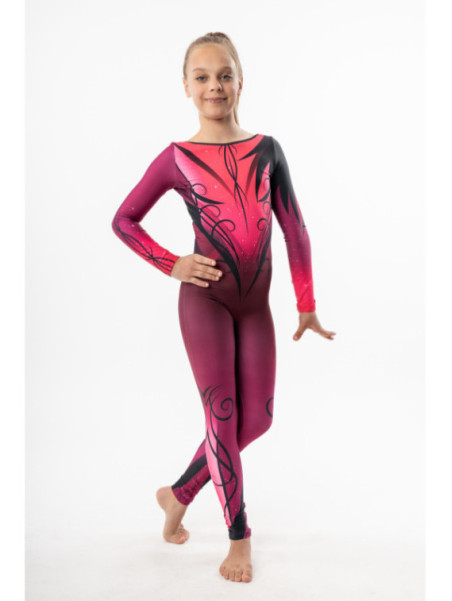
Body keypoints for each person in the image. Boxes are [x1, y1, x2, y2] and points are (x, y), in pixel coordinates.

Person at [111, 31, 336, 584]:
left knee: (257, 420)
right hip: (204, 302)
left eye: (224, 75)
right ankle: (239, 536)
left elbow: (295, 229)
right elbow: (124, 220)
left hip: (255, 306)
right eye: (203, 77)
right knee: (223, 415)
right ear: (186, 87)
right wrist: (172, 263)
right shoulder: (177, 158)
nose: (214, 85)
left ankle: (178, 493)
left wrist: (305, 304)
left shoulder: (268, 149)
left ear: (240, 81)